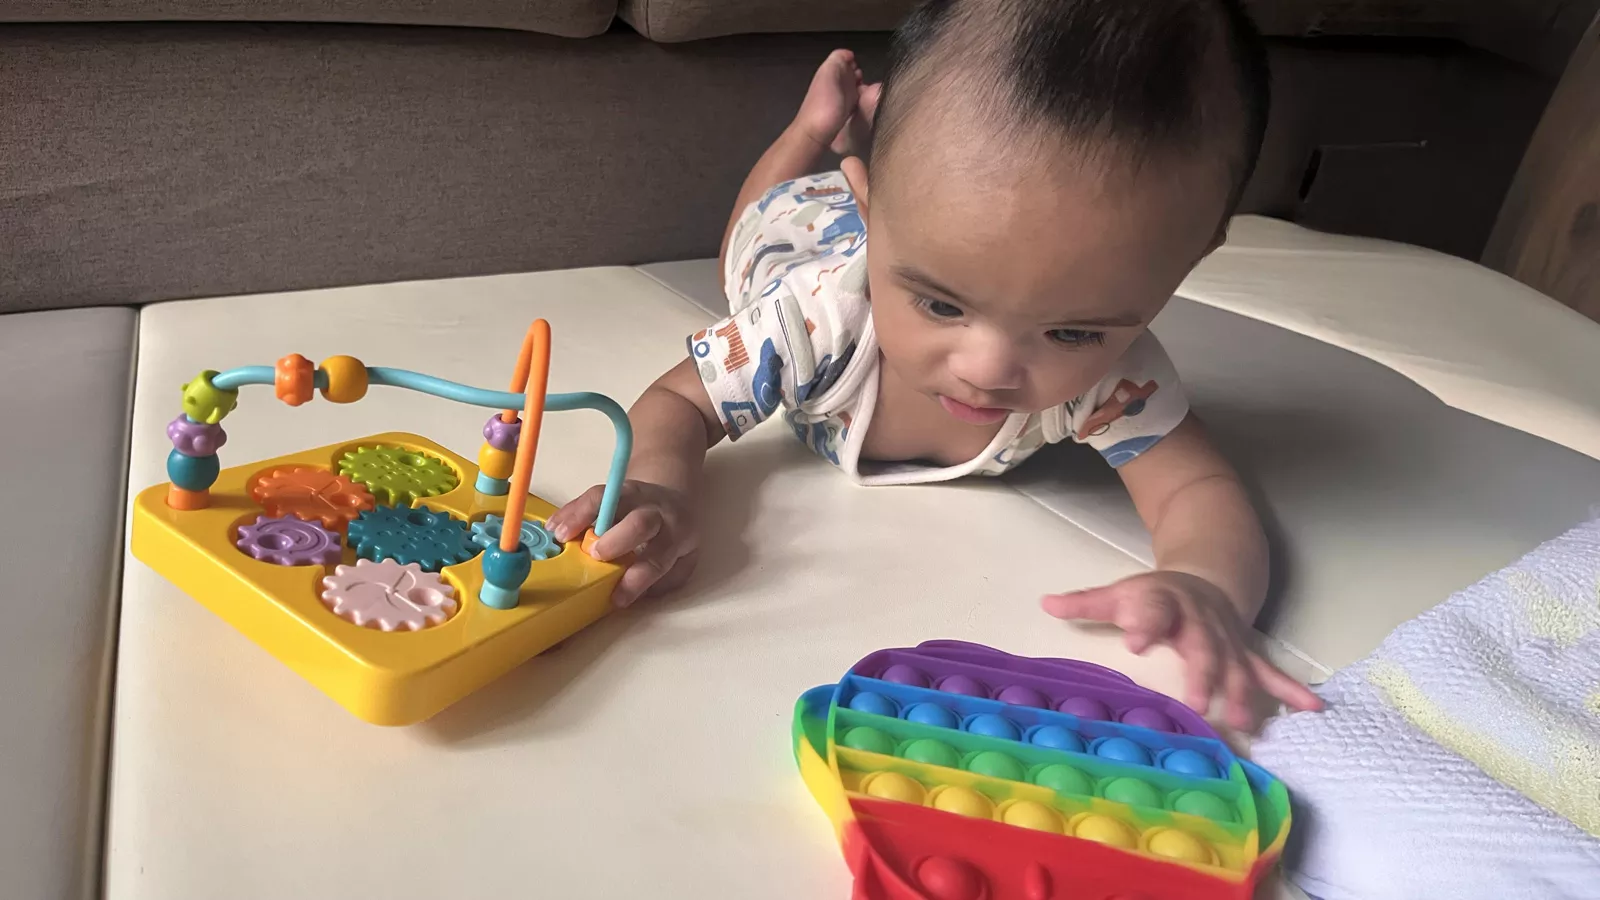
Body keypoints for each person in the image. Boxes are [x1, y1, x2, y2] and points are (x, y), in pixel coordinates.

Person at [548, 0, 1324, 728]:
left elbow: (1199, 490)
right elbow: (681, 403)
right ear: (872, 203)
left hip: (884, 211)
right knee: (749, 241)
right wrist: (665, 483)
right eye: (942, 306)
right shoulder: (812, 317)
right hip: (804, 237)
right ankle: (810, 130)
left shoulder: (1116, 382)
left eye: (1074, 333)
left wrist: (1206, 584)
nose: (990, 369)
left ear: (1189, 262)